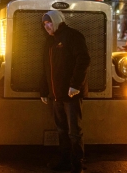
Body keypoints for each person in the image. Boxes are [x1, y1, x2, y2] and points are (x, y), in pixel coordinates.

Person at [40, 10, 90, 173]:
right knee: (61, 130)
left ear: (57, 21)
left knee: (74, 132)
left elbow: (83, 59)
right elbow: (46, 68)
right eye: (45, 24)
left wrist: (75, 85)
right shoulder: (49, 42)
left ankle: (77, 164)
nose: (47, 26)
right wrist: (44, 90)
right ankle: (64, 160)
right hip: (55, 96)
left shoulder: (73, 36)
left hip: (71, 94)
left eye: (49, 22)